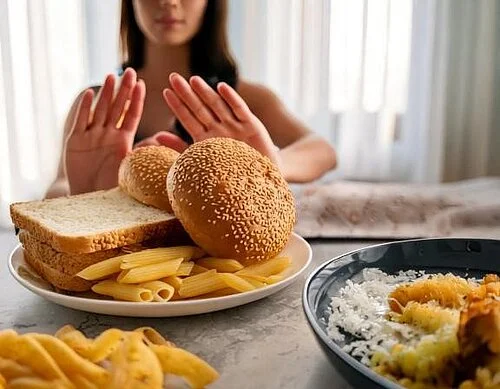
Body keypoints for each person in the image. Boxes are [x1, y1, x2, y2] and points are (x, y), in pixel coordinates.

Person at [46, 0, 336, 199]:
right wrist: (88, 191)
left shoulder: (241, 98)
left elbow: (322, 151)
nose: (169, 1)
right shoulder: (97, 104)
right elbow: (56, 187)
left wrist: (269, 165)